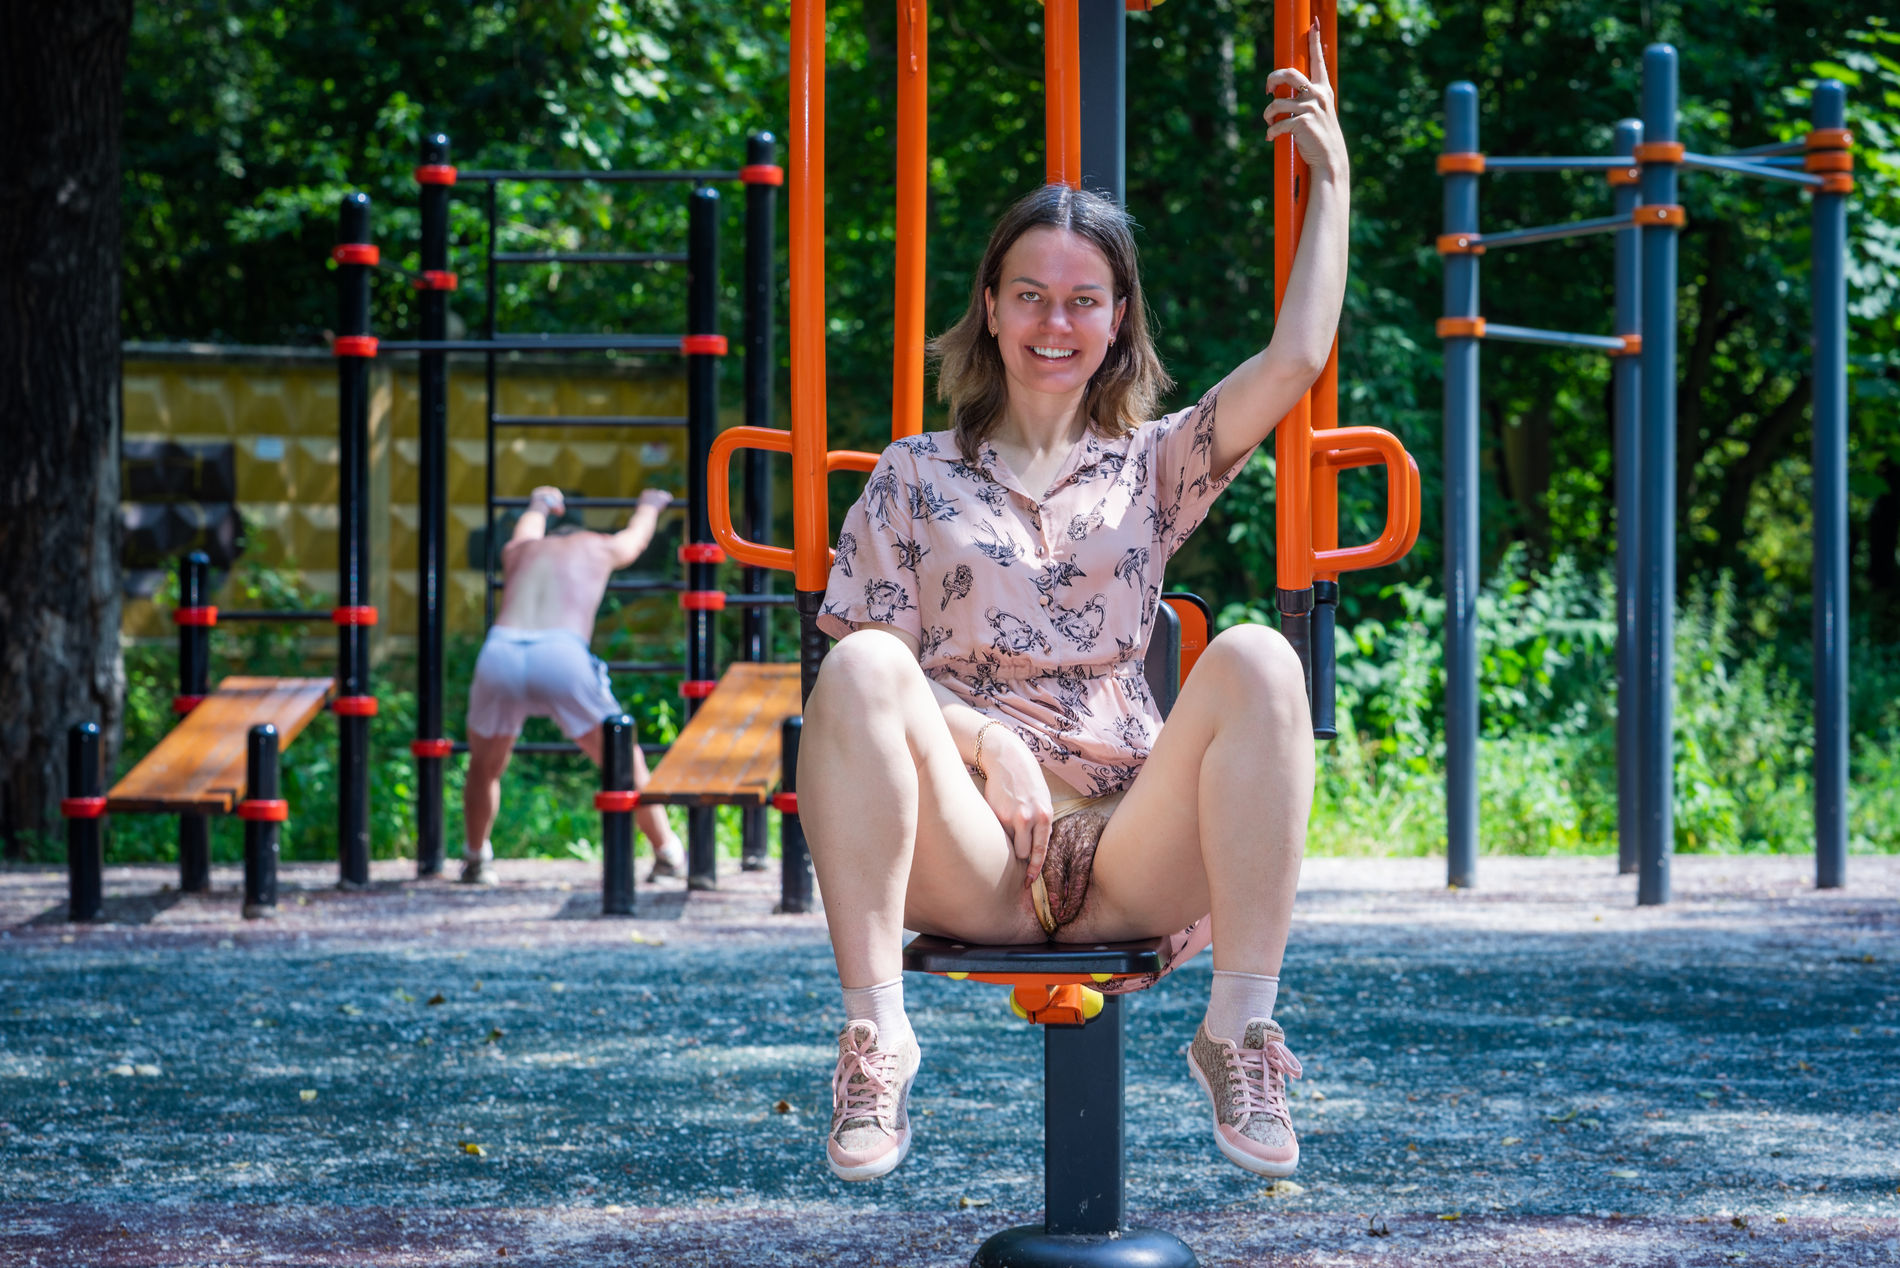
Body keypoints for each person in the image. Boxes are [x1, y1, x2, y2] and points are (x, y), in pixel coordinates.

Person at [799, 24, 1347, 1183]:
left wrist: (1330, 181)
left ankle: (1238, 1028)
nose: (1056, 323)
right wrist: (986, 739)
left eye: (1083, 301)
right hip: (974, 850)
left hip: (1126, 846)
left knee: (1259, 654)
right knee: (856, 665)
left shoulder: (1152, 465)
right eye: (1032, 296)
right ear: (992, 308)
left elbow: (1295, 358)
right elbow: (866, 687)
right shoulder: (912, 473)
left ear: (1115, 320)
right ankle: (875, 1037)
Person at [461, 485, 686, 884]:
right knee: (623, 757)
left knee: (485, 766)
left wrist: (539, 502)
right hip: (561, 654)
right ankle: (667, 853)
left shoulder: (522, 551)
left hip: (502, 650)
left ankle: (476, 858)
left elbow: (528, 527)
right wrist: (650, 504)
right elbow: (635, 539)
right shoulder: (597, 546)